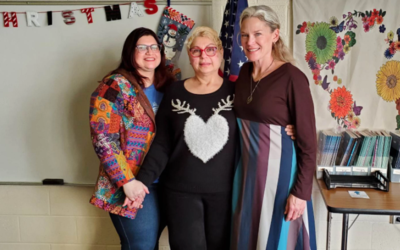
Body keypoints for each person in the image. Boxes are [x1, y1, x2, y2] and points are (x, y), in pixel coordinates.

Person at [129, 26, 297, 250]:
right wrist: (141, 182)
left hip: (228, 193)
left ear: (220, 53)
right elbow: (162, 144)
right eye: (196, 51)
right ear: (190, 56)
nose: (204, 56)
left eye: (210, 49)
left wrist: (288, 127)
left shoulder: (238, 91)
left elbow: (259, 123)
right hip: (180, 194)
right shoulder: (174, 92)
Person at [231, 5, 317, 250]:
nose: (250, 41)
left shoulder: (293, 78)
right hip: (246, 178)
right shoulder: (244, 72)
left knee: (278, 241)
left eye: (258, 34)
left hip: (281, 181)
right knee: (247, 238)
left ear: (274, 35)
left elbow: (309, 145)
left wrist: (301, 193)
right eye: (245, 35)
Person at [88, 27, 174, 250]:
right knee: (141, 246)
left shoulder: (171, 85)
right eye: (142, 47)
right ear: (130, 52)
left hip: (167, 182)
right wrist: (126, 181)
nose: (150, 52)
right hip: (132, 184)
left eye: (154, 46)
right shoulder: (113, 87)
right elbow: (103, 139)